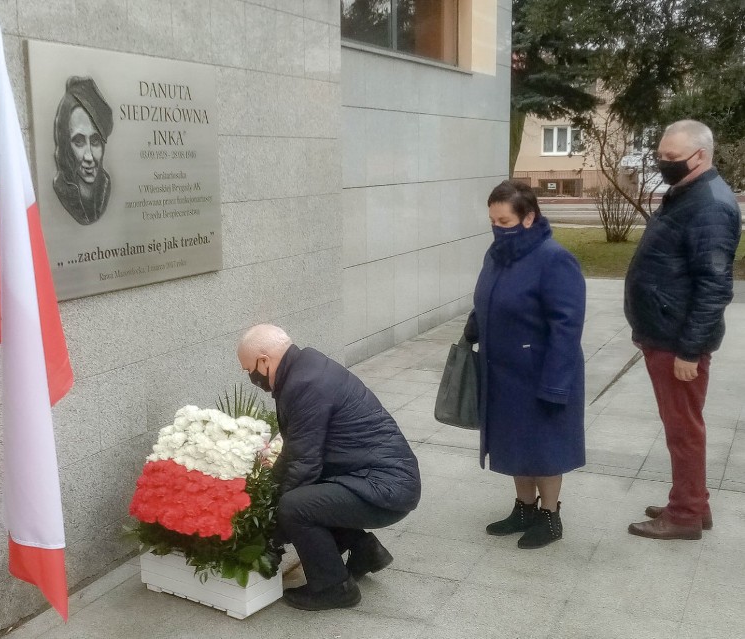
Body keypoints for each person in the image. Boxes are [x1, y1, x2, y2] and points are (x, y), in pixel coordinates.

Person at [237, 324, 421, 610]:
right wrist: (266, 499)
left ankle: (334, 588)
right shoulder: (304, 369)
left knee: (295, 506)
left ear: (264, 360)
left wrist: (272, 531)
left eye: (249, 369)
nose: (252, 376)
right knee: (309, 496)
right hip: (378, 478)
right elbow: (296, 451)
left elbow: (303, 466)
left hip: (386, 488)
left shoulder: (303, 383)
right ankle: (365, 551)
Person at [624, 120, 741, 540]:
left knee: (683, 430)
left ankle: (685, 515)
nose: (663, 163)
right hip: (665, 332)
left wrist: (689, 352)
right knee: (683, 427)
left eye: (671, 158)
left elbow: (714, 287)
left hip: (678, 342)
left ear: (701, 157)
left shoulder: (710, 205)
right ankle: (695, 502)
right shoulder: (687, 194)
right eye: (661, 155)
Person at [464, 180, 586, 549]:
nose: (497, 229)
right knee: (513, 442)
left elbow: (567, 327)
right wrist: (473, 327)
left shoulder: (554, 259)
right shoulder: (497, 254)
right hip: (502, 370)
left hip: (540, 371)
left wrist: (555, 384)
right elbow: (487, 296)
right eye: (493, 221)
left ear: (529, 217)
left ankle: (550, 517)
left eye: (504, 221)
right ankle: (524, 507)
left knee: (544, 445)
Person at [52, 76, 113, 225]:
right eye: (79, 142)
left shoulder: (105, 188)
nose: (89, 156)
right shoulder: (62, 190)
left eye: (95, 141)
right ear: (66, 144)